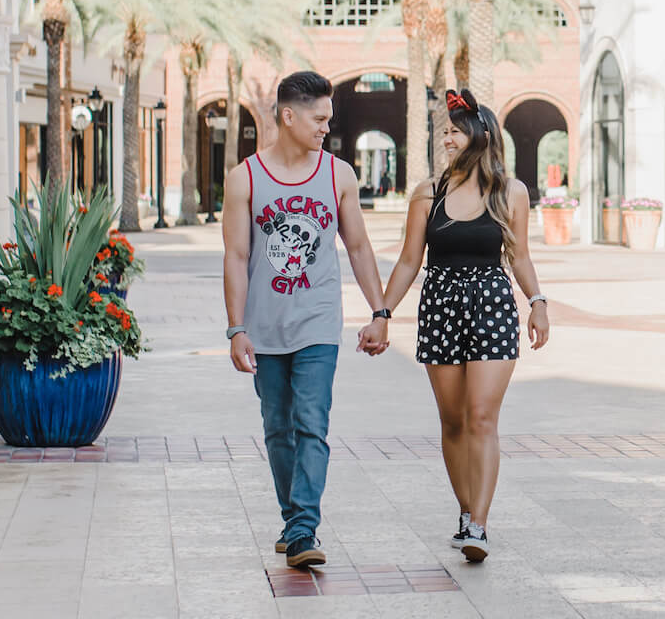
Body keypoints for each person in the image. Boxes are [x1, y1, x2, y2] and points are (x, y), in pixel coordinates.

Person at [221, 70, 391, 570]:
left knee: (311, 424)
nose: (325, 128)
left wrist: (379, 311)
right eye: (318, 119)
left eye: (328, 120)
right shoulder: (245, 178)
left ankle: (302, 530)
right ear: (288, 116)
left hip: (319, 321)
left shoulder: (337, 174)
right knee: (278, 428)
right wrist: (236, 328)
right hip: (265, 326)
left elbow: (357, 246)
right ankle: (292, 516)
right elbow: (235, 257)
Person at [380, 88, 549, 561]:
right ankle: (465, 509)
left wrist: (537, 302)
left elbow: (520, 256)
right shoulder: (427, 193)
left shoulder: (510, 193)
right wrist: (382, 313)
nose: (447, 140)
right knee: (453, 421)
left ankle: (479, 523)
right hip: (440, 306)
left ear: (481, 134)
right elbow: (411, 259)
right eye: (444, 132)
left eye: (454, 131)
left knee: (480, 416)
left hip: (492, 303)